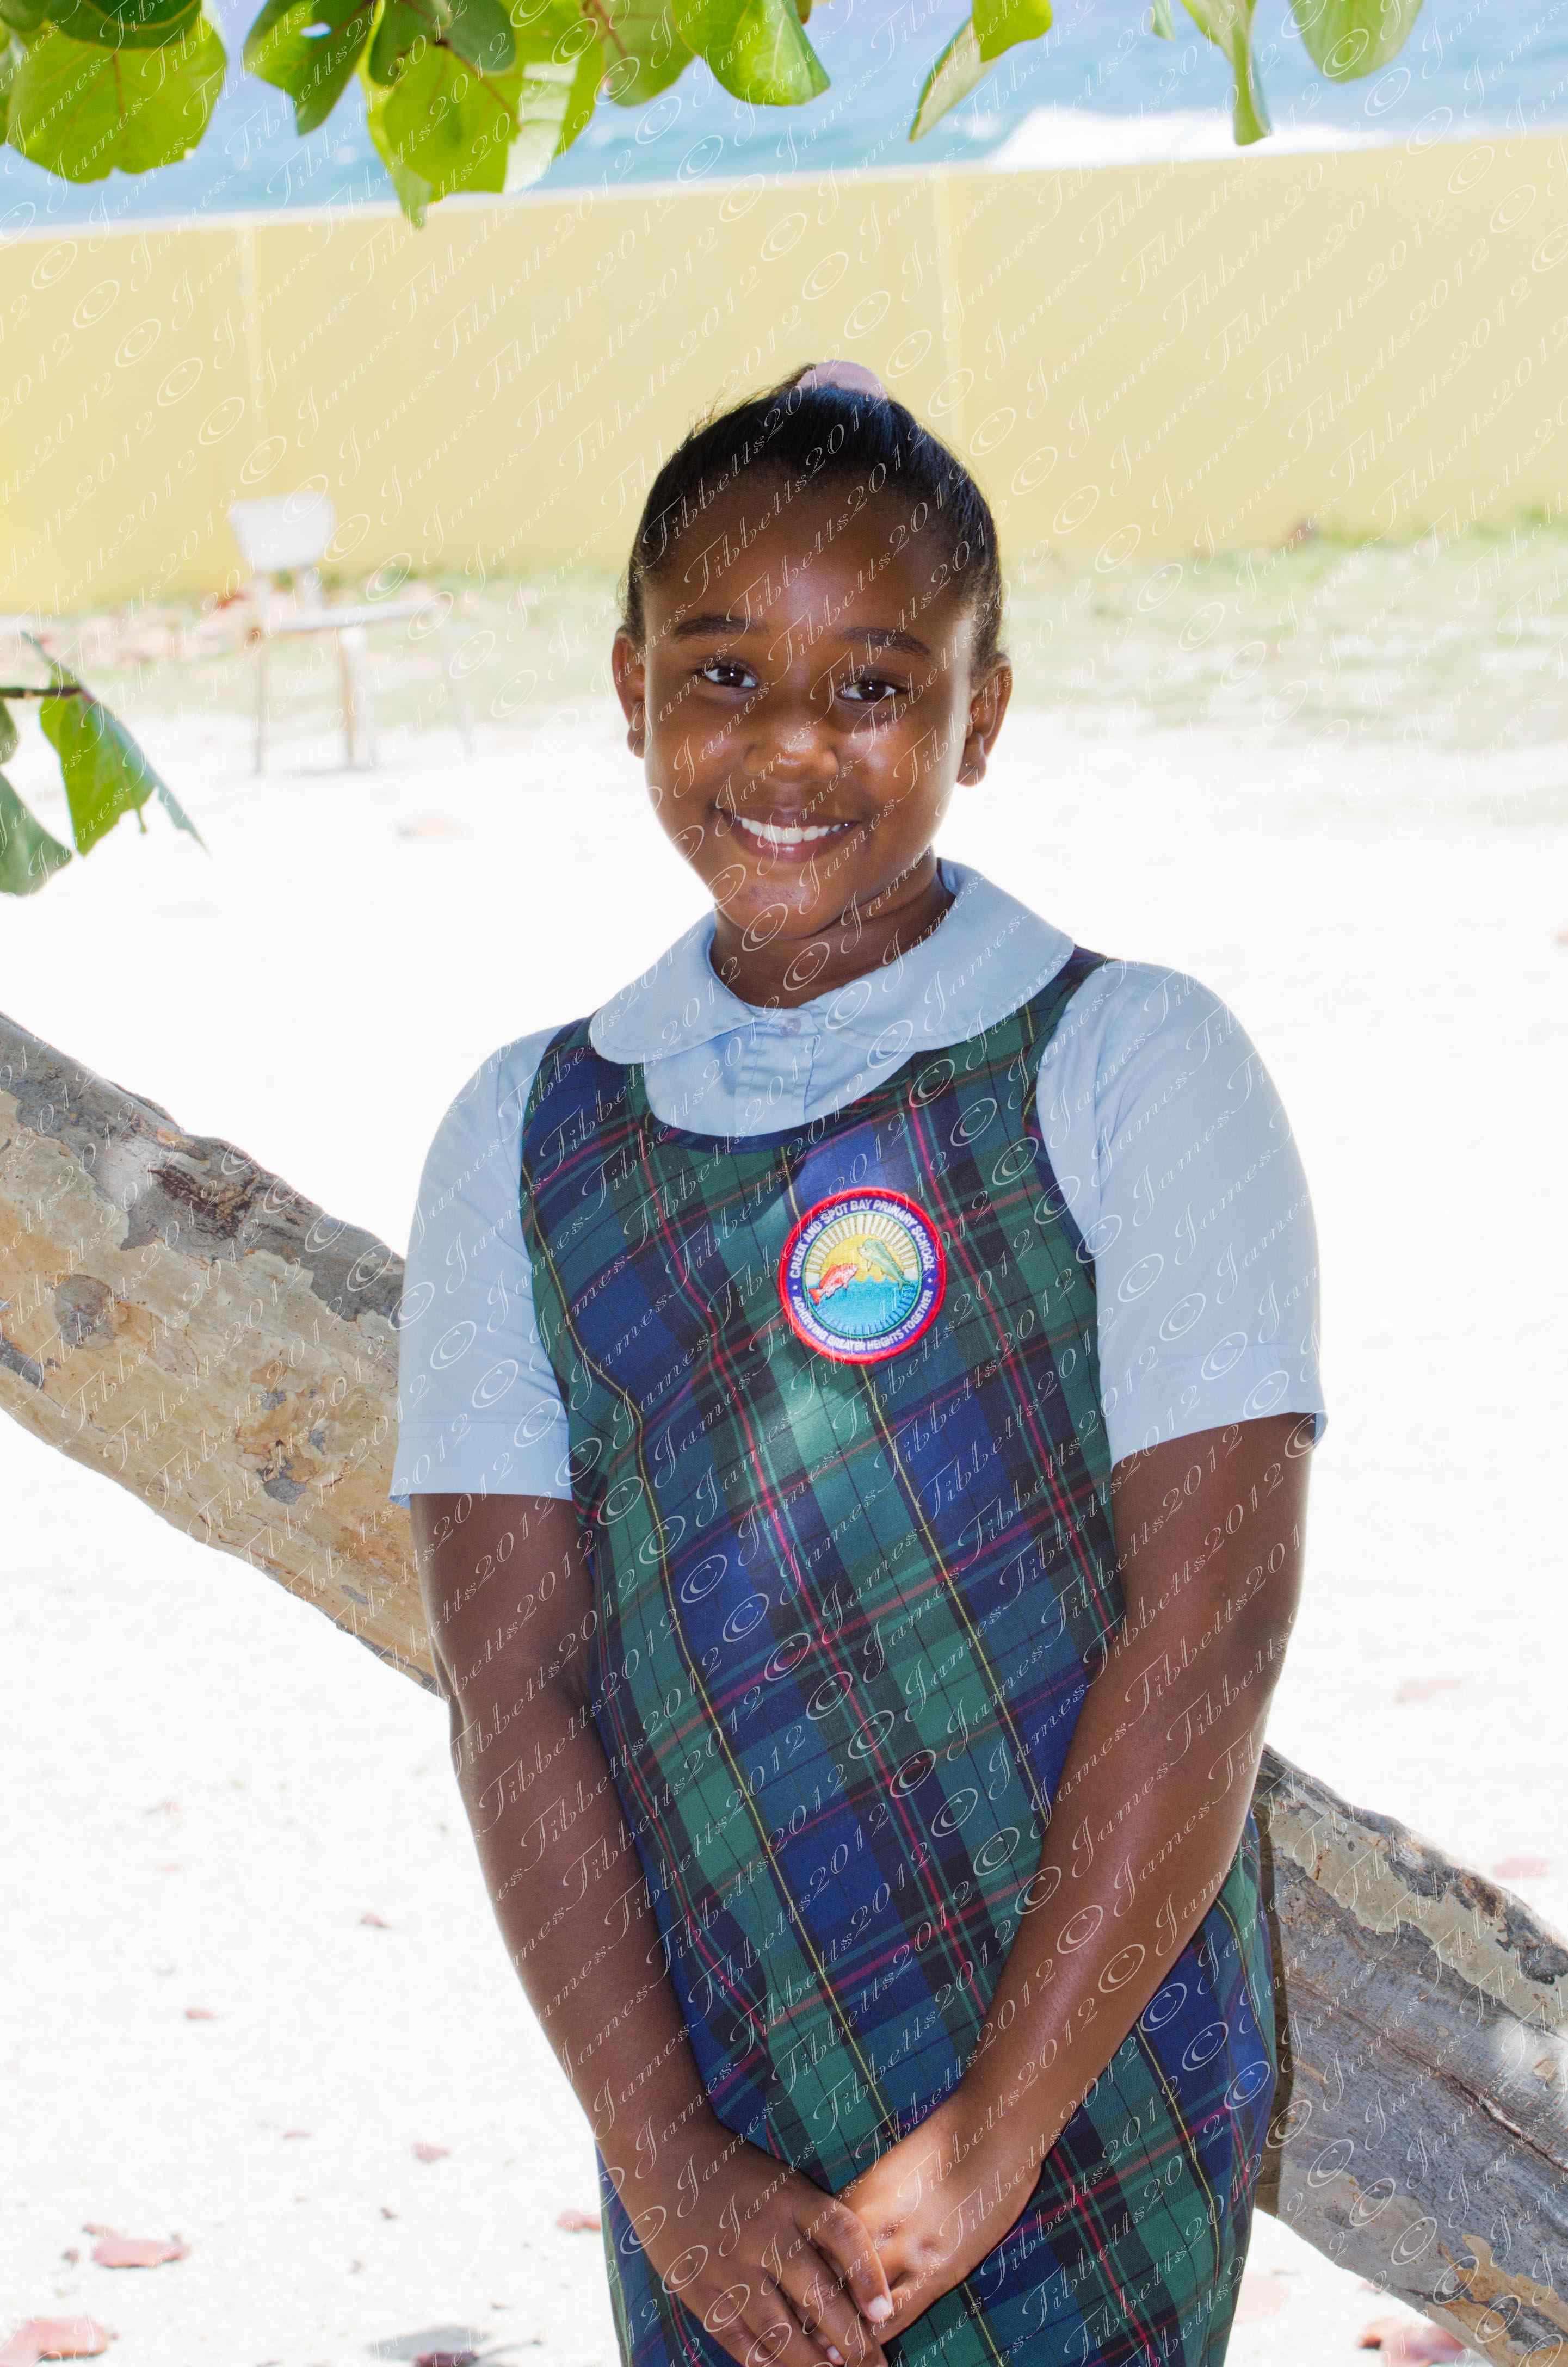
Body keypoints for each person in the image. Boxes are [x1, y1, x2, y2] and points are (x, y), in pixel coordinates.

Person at [390, 359, 1328, 2367]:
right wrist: (663, 2154)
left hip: (1085, 2083)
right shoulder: (527, 1137)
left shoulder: (1127, 1064)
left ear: (979, 715)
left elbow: (1210, 1632)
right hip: (708, 2085)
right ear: (631, 687)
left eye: (877, 685)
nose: (792, 744)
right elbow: (514, 1690)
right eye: (725, 674)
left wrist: (987, 2143)